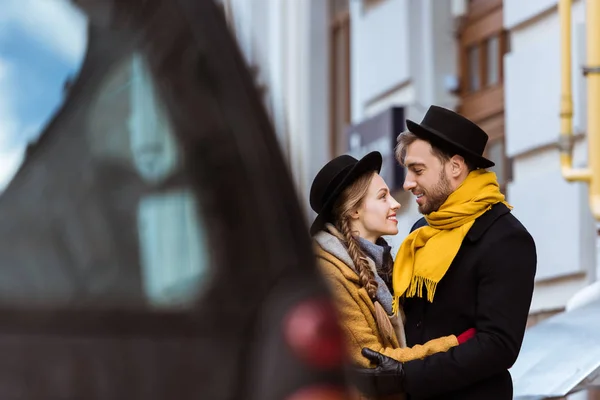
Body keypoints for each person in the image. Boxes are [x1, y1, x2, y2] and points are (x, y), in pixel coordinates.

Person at [351, 106, 537, 400]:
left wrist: (405, 375)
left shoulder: (506, 237)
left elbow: (498, 345)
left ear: (455, 166)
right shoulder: (420, 230)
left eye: (418, 170)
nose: (408, 183)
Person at [309, 151, 476, 399]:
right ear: (354, 211)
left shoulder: (387, 265)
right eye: (382, 197)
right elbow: (373, 360)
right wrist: (457, 344)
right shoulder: (331, 274)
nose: (395, 203)